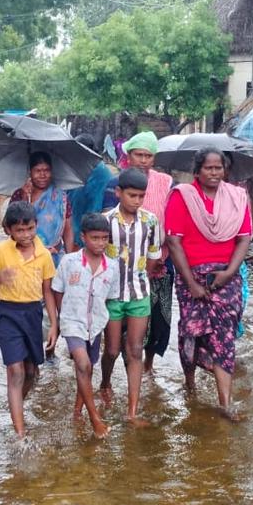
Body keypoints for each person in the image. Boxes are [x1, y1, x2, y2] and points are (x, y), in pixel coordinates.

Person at [164, 147, 253, 419]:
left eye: (219, 168)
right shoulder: (182, 197)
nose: (214, 172)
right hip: (191, 276)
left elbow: (244, 238)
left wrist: (228, 273)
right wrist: (191, 283)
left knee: (224, 335)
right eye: (209, 168)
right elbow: (173, 241)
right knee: (192, 331)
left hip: (227, 276)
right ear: (197, 171)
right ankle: (190, 384)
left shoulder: (237, 197)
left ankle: (225, 402)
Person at [0, 201, 59, 440]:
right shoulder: (1, 251)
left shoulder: (44, 254)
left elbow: (47, 291)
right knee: (15, 371)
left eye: (30, 229)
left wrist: (54, 325)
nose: (25, 235)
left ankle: (16, 406)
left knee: (30, 371)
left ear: (36, 226)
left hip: (33, 314)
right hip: (8, 314)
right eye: (19, 230)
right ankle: (20, 433)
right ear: (8, 230)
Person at [98, 168, 162, 424]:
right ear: (118, 193)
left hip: (138, 295)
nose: (137, 201)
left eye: (141, 196)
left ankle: (132, 411)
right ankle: (104, 383)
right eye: (132, 195)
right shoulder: (106, 220)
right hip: (112, 296)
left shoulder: (150, 221)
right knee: (112, 350)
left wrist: (140, 279)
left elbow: (154, 257)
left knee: (135, 349)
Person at [113, 131, 176, 373]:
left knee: (158, 317)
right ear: (128, 156)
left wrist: (163, 255)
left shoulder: (166, 182)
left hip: (161, 259)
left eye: (149, 156)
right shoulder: (117, 183)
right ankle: (127, 362)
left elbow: (172, 219)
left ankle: (148, 365)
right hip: (125, 264)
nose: (143, 160)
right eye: (139, 154)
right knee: (125, 318)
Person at [52, 212, 118, 439]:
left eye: (104, 238)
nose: (100, 243)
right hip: (72, 323)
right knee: (83, 364)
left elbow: (110, 298)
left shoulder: (112, 266)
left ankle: (78, 410)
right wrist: (62, 319)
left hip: (96, 323)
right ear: (83, 237)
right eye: (95, 238)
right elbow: (57, 291)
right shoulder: (69, 262)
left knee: (88, 366)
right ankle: (95, 419)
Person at [11, 151, 74, 266]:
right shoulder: (19, 195)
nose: (43, 175)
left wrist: (69, 258)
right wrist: (24, 197)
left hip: (54, 257)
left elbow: (68, 230)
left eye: (46, 170)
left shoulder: (61, 197)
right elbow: (8, 227)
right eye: (38, 171)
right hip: (24, 258)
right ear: (30, 172)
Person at [66, 134, 113, 242]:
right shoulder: (78, 168)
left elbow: (95, 205)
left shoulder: (100, 173)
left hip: (91, 228)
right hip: (74, 224)